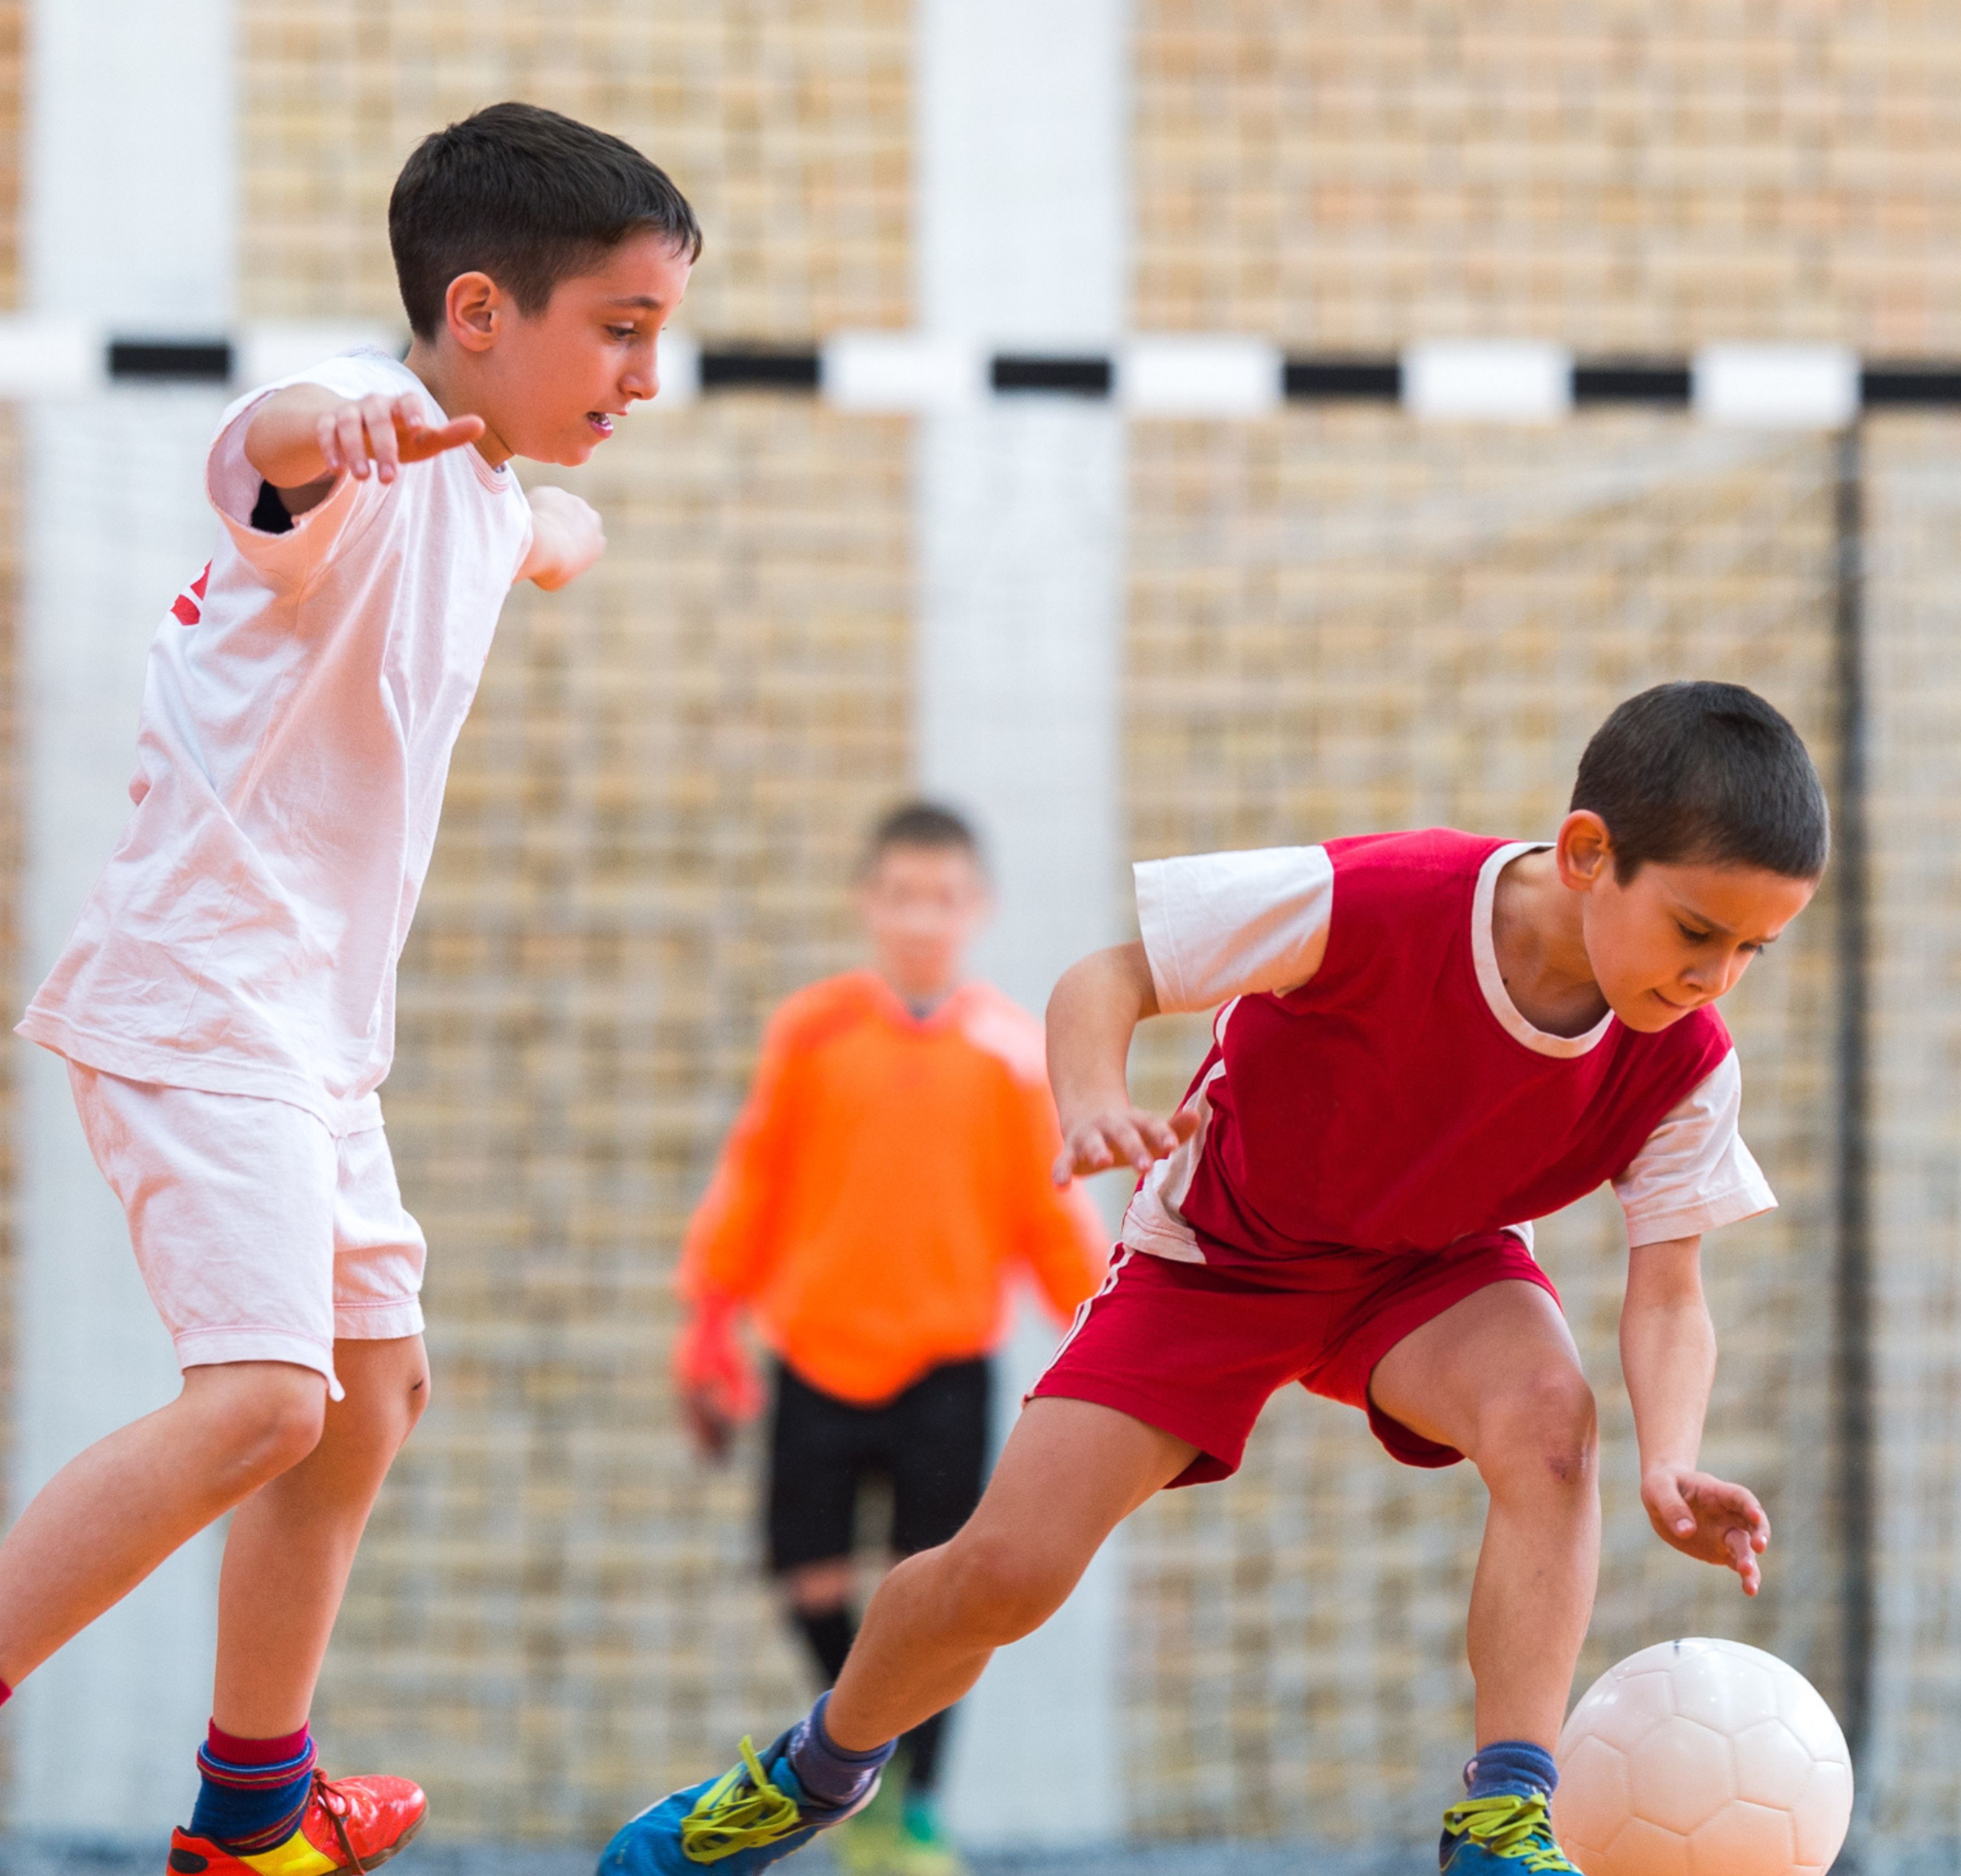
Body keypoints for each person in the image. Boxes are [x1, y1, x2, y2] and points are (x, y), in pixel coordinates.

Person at [0, 102, 694, 1876]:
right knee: (269, 1400)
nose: (647, 372)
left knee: (372, 1391)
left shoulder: (487, 492)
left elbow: (544, 533)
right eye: (624, 329)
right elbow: (274, 451)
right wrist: (332, 429)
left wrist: (561, 528)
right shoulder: (353, 456)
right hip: (203, 1004)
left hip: (312, 1043)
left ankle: (254, 1812)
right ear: (483, 314)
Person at [602, 680, 1822, 1876]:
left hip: (1430, 1269)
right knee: (1007, 1573)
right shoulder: (1376, 899)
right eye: (1695, 934)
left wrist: (1669, 1456)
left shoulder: (1685, 1060)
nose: (1714, 979)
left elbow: (1670, 1288)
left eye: (1752, 950)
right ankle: (807, 1777)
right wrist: (1090, 1104)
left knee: (1554, 1428)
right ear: (1585, 853)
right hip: (1221, 1258)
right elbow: (1108, 979)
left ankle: (1503, 1821)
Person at [673, 801, 1108, 1876]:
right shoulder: (812, 1033)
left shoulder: (1009, 1053)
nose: (922, 916)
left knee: (947, 1598)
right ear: (870, 903)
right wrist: (710, 1322)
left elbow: (1053, 1220)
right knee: (810, 1580)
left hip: (948, 1370)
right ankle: (866, 1768)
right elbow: (752, 1183)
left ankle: (904, 1810)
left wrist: (1111, 1342)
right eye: (902, 894)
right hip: (816, 1355)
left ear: (977, 909)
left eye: (944, 896)